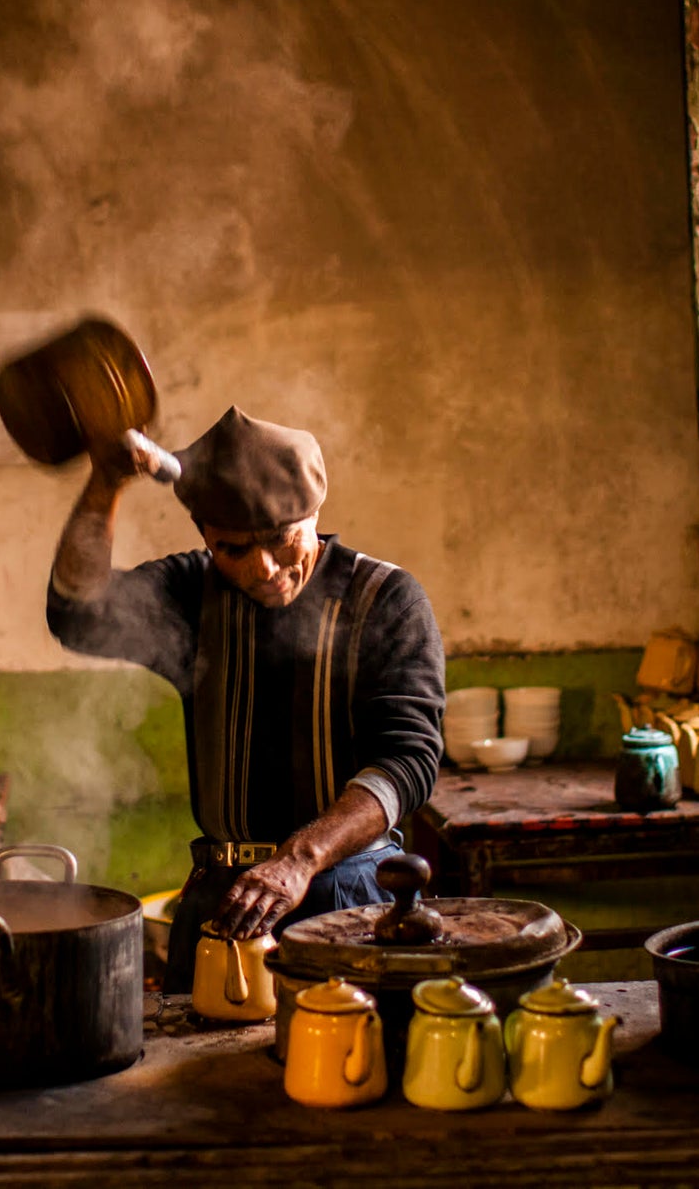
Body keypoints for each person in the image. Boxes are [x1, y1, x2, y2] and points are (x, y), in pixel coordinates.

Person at [46, 406, 445, 993]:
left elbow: (407, 763)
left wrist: (299, 858)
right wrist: (105, 481)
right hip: (222, 897)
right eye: (233, 549)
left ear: (314, 514)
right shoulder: (191, 596)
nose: (263, 568)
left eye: (282, 540)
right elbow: (76, 613)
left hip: (349, 892)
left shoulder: (386, 600)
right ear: (206, 537)